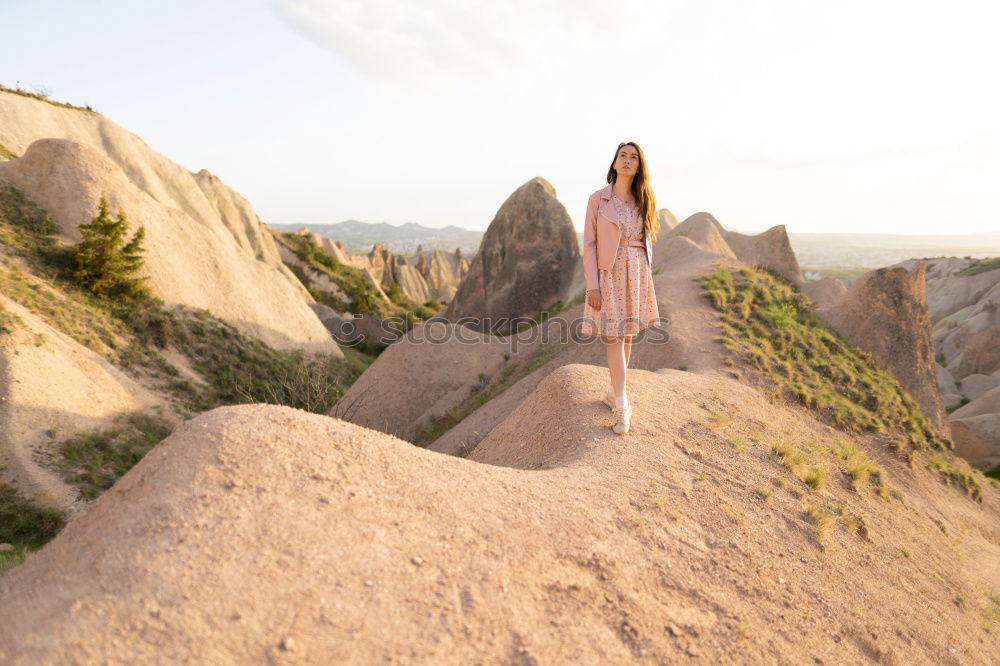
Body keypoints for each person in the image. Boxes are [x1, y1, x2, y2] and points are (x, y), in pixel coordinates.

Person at [580, 141, 661, 435]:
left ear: (639, 166)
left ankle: (614, 390)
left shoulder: (645, 197)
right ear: (614, 163)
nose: (627, 161)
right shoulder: (597, 200)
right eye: (622, 156)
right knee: (613, 336)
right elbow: (589, 245)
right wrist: (593, 285)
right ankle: (622, 405)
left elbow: (647, 238)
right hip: (608, 271)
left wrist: (643, 271)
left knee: (626, 335)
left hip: (637, 268)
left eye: (633, 157)